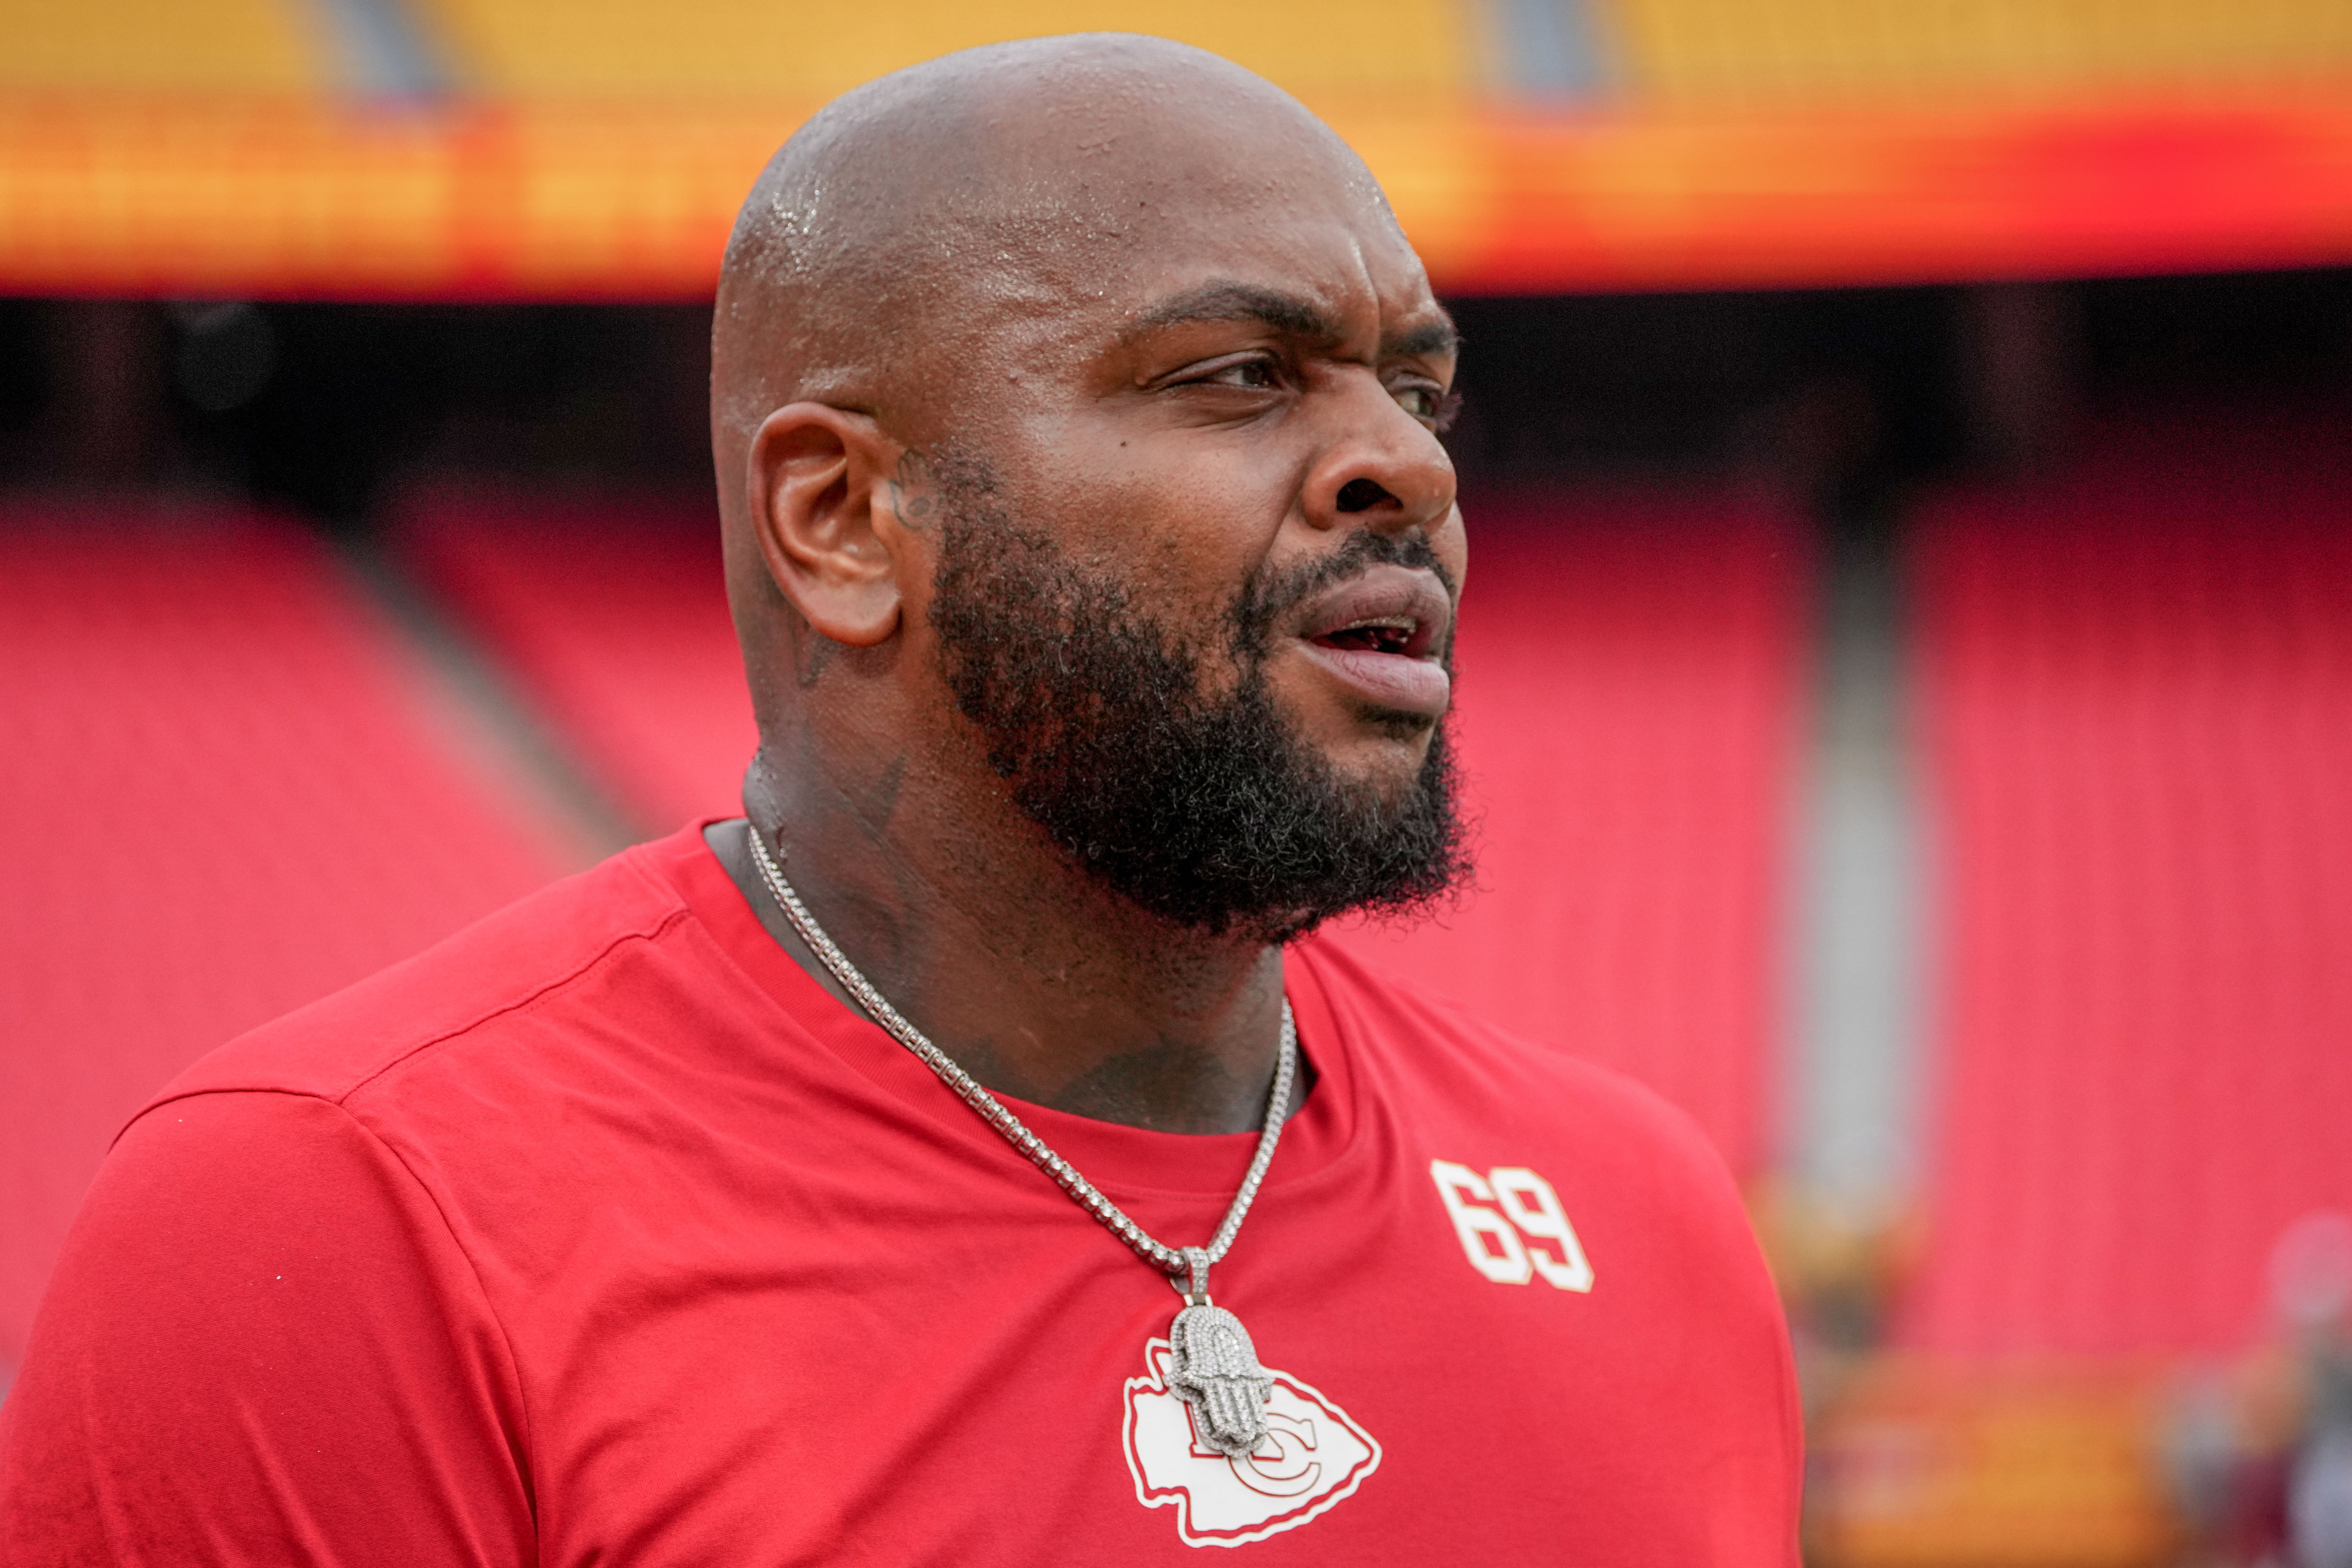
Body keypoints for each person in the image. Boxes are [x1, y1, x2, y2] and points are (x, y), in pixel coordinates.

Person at [0, 34, 1799, 1563]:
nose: (1405, 463)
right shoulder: (337, 1228)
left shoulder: (1640, 1219)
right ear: (844, 522)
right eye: (1238, 376)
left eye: (1421, 388)